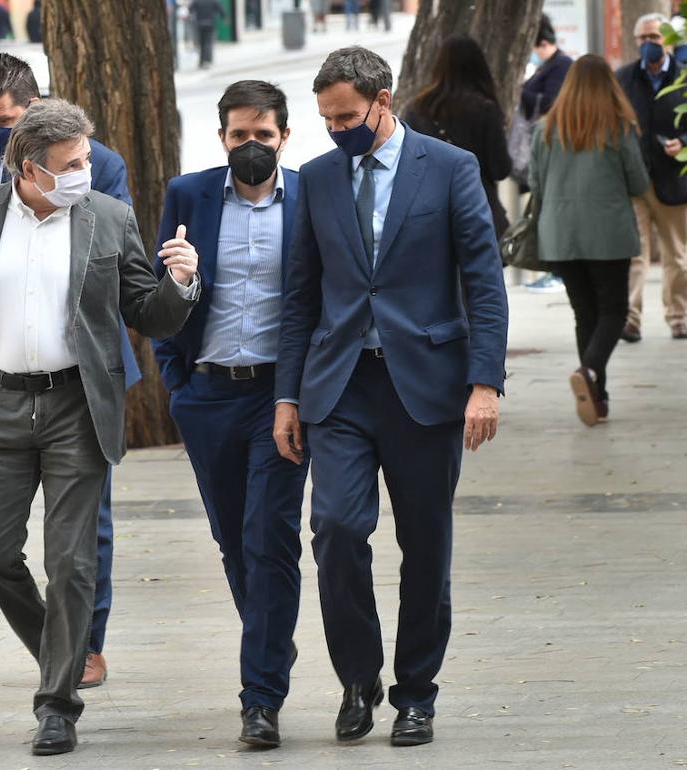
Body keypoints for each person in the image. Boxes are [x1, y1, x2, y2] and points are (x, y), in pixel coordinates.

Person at [0, 99, 200, 756]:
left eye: (85, 160)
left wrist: (181, 282)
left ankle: (57, 705)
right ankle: (63, 649)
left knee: (71, 561)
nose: (85, 172)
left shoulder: (107, 218)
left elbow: (148, 312)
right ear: (30, 168)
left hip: (76, 406)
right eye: (71, 164)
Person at [275, 47, 508, 747]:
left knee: (425, 545)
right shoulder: (316, 178)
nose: (335, 129)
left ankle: (416, 692)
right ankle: (358, 678)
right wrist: (288, 398)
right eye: (325, 119)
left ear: (382, 100)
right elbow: (300, 296)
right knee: (338, 530)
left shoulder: (449, 168)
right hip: (341, 386)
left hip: (427, 389)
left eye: (345, 116)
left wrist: (484, 383)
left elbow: (484, 281)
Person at [0, 51, 140, 700]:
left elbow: (115, 273)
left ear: (34, 110)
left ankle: (84, 648)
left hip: (78, 384)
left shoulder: (98, 169)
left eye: (5, 121)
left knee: (80, 537)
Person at [153, 80, 308, 749]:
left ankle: (260, 697)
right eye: (240, 135)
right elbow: (159, 303)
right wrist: (176, 383)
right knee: (233, 541)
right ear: (222, 138)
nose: (252, 146)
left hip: (279, 398)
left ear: (284, 136)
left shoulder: (310, 198)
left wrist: (302, 394)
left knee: (269, 539)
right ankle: (270, 640)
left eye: (263, 135)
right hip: (208, 395)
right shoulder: (188, 195)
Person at [529, 55, 650, 427]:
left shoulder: (546, 128)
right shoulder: (619, 127)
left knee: (585, 313)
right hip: (607, 232)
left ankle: (597, 397)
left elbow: (535, 184)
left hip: (560, 233)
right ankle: (590, 371)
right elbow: (638, 183)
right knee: (614, 311)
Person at [616, 12, 687, 342]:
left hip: (673, 179)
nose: (650, 44)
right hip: (634, 181)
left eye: (655, 37)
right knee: (634, 255)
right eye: (644, 39)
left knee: (676, 256)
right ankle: (631, 320)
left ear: (668, 41)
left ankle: (678, 317)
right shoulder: (622, 78)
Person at [403, 34, 512, 238]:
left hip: (429, 215)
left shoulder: (416, 109)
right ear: (479, 67)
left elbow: (406, 164)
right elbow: (500, 169)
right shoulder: (485, 109)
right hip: (478, 211)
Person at [519, 13, 574, 294]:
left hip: (555, 149)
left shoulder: (561, 65)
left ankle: (559, 270)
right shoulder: (548, 66)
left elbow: (551, 103)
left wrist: (521, 93)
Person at [191, 0, 224, 69]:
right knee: (208, 43)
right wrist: (224, 18)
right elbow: (221, 10)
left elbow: (190, 9)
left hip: (200, 24)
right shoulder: (213, 1)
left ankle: (202, 61)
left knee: (202, 44)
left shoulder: (197, 1)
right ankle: (207, 60)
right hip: (210, 24)